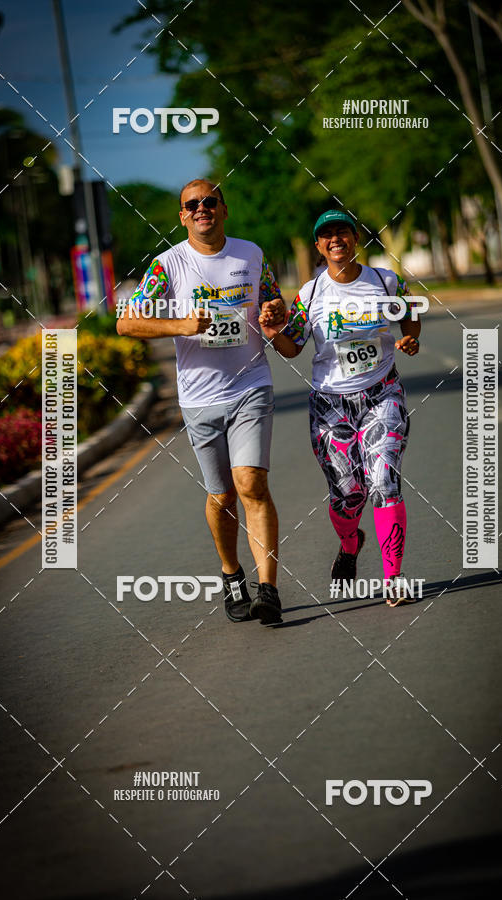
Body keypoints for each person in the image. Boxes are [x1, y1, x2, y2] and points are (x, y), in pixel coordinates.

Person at [117, 179, 285, 624]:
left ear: (223, 209)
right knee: (222, 495)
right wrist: (180, 325)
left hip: (251, 383)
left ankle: (268, 589)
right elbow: (127, 323)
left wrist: (273, 312)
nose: (201, 209)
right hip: (198, 398)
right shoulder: (168, 265)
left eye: (210, 201)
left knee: (251, 483)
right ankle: (232, 573)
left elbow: (274, 302)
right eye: (192, 205)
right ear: (182, 216)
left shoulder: (251, 254)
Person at [261, 210, 420, 607]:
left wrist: (410, 340)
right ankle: (350, 543)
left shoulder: (385, 281)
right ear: (318, 246)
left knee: (384, 482)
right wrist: (270, 334)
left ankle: (394, 578)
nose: (336, 240)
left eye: (343, 233)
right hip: (331, 406)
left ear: (355, 238)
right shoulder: (311, 294)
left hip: (382, 394)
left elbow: (410, 315)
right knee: (348, 495)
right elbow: (293, 346)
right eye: (326, 235)